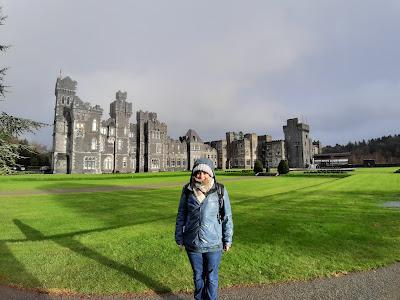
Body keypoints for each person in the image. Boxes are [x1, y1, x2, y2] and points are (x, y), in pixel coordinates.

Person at [175, 158, 233, 300]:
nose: (201, 176)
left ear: (210, 173)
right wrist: (179, 236)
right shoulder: (187, 190)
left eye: (204, 172)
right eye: (198, 172)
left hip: (214, 243)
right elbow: (181, 214)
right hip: (193, 242)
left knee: (212, 277)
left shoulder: (220, 190)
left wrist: (228, 239)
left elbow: (227, 216)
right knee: (198, 276)